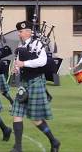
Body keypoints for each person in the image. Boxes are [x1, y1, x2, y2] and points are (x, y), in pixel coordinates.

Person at [11, 21, 60, 152]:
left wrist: (24, 64)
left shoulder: (37, 44)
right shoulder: (20, 45)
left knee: (36, 119)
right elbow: (19, 63)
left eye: (21, 31)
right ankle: (18, 147)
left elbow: (42, 61)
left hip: (36, 82)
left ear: (28, 31)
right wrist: (17, 68)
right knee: (17, 114)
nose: (19, 34)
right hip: (24, 83)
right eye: (19, 32)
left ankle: (54, 141)